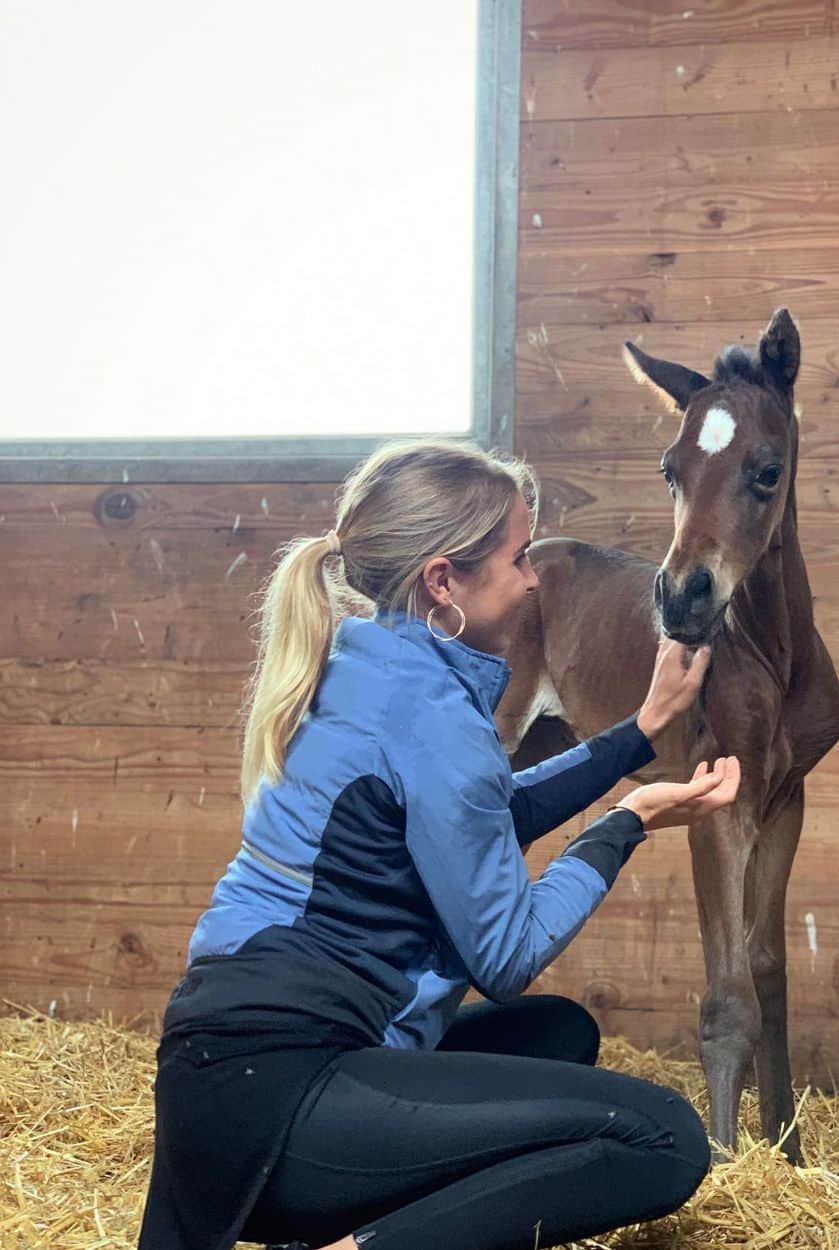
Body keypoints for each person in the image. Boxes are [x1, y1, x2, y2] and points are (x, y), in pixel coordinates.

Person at [137, 440, 742, 1250]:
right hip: (283, 1100)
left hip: (223, 1080)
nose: (534, 579)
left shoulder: (366, 662)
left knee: (556, 1037)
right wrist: (622, 825)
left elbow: (473, 817)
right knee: (661, 1138)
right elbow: (505, 955)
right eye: (520, 558)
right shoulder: (432, 715)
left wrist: (638, 737)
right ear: (443, 582)